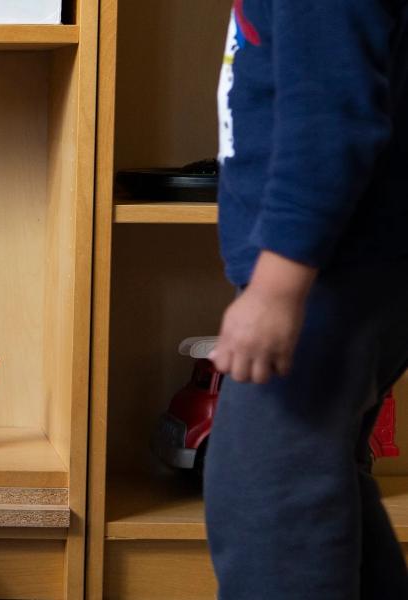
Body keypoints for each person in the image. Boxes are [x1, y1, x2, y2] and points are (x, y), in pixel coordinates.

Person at [206, 1, 408, 598]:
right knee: (320, 486)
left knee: (267, 497)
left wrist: (277, 285)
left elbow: (330, 117)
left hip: (332, 274)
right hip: (351, 268)